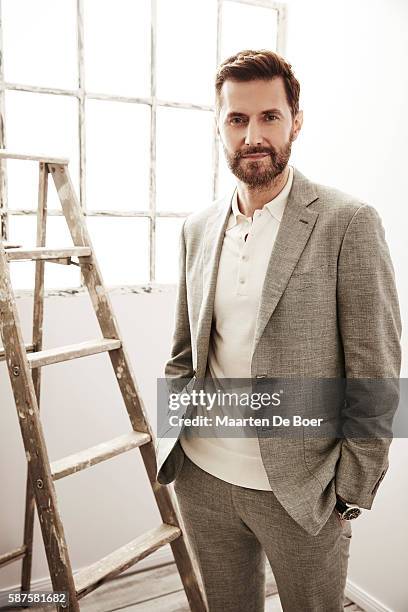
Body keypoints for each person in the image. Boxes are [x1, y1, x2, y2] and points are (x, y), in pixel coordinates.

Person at [155, 49, 402, 611]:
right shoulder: (197, 228)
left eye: (269, 117)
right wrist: (177, 432)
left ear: (296, 120)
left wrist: (349, 492)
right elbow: (183, 354)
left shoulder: (349, 222)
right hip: (202, 478)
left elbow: (377, 372)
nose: (253, 135)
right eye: (237, 119)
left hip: (302, 488)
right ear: (220, 125)